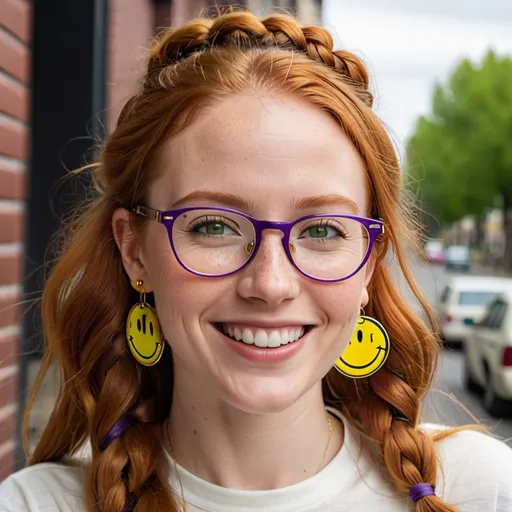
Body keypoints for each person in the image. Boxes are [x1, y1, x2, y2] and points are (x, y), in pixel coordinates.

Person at [1, 9, 511, 512]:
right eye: (214, 226)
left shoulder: (481, 490)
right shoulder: (34, 504)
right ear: (135, 250)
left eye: (322, 230)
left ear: (368, 264)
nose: (270, 284)